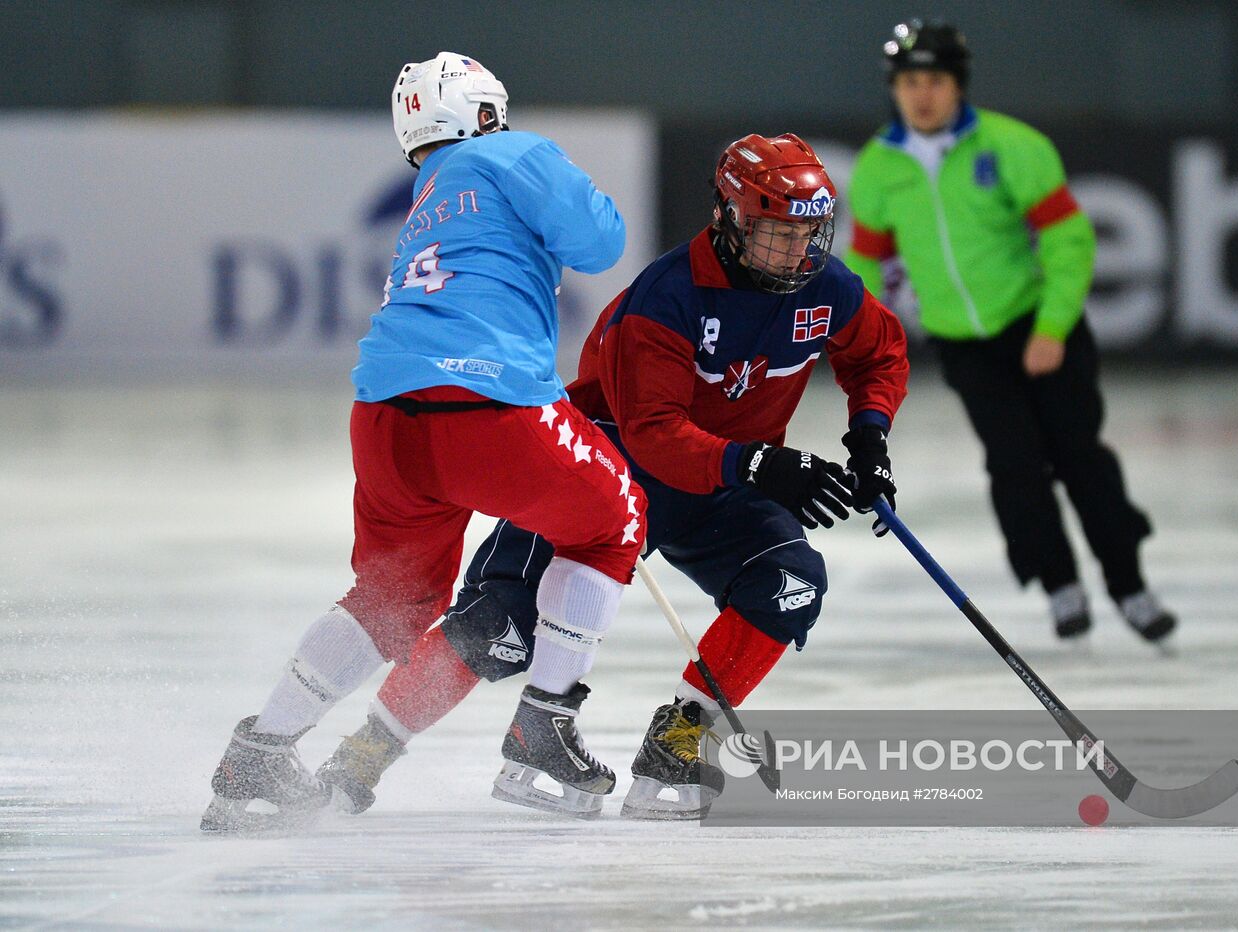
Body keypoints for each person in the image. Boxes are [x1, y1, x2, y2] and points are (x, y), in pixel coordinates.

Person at [313, 132, 910, 820]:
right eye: (778, 234)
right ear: (730, 219)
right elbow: (655, 435)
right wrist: (759, 463)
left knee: (790, 585)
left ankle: (679, 740)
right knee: (499, 627)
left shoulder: (827, 288)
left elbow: (880, 351)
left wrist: (870, 437)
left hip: (718, 484)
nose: (798, 254)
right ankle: (366, 750)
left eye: (811, 233)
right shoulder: (668, 298)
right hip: (610, 471)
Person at [200, 51, 646, 831]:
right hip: (487, 404)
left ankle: (260, 750)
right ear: (481, 113)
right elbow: (601, 243)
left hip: (383, 415)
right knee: (615, 521)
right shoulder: (512, 151)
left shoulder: (429, 193)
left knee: (392, 603)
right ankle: (545, 719)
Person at [845, 19, 1175, 642]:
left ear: (958, 85)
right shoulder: (877, 170)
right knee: (1014, 467)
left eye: (935, 80)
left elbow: (1069, 238)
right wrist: (862, 343)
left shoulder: (1013, 146)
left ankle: (1130, 586)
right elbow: (868, 269)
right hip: (965, 345)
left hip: (1039, 329)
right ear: (895, 88)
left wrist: (1052, 326)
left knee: (1081, 459)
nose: (923, 94)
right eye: (911, 81)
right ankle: (1060, 587)